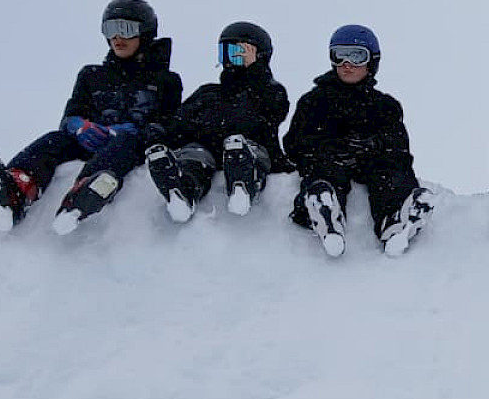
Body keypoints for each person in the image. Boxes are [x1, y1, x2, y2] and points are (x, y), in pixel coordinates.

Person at [0, 0, 183, 235]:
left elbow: (168, 124)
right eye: (110, 29)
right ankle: (17, 188)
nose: (117, 37)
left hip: (130, 147)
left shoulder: (166, 81)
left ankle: (90, 188)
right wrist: (77, 125)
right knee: (54, 140)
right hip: (88, 142)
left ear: (145, 33)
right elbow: (72, 113)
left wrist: (137, 132)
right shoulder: (92, 75)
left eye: (125, 29)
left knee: (124, 142)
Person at [284, 24, 431, 258]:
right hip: (329, 161)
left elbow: (399, 150)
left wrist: (373, 147)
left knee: (389, 172)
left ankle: (395, 218)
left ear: (372, 61)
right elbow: (294, 144)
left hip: (372, 164)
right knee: (325, 169)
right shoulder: (315, 102)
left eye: (356, 56)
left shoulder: (384, 106)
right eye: (339, 55)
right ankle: (324, 209)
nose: (347, 64)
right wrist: (330, 147)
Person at [143, 20, 291, 222]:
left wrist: (256, 70)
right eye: (225, 53)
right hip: (207, 150)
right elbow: (180, 122)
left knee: (241, 150)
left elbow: (276, 108)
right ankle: (183, 191)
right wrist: (160, 134)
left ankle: (243, 185)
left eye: (237, 53)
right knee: (194, 156)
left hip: (254, 148)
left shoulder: (267, 91)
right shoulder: (209, 93)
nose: (229, 60)